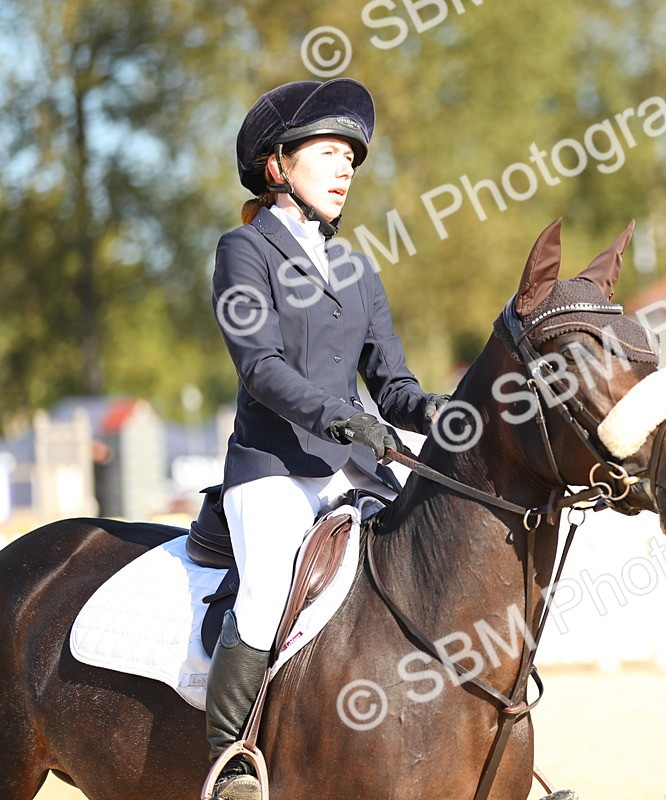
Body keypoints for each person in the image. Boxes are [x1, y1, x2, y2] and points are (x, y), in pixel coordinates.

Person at [205, 78, 449, 800]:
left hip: (355, 472)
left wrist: (449, 413)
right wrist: (343, 419)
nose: (346, 168)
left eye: (351, 157)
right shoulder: (243, 250)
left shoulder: (357, 268)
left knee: (431, 567)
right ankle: (232, 760)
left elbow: (393, 386)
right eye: (329, 153)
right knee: (264, 595)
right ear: (278, 165)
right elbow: (261, 367)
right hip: (275, 468)